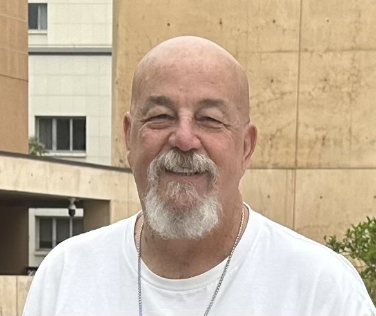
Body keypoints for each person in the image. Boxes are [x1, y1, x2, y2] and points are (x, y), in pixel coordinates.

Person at [23, 36, 375, 316]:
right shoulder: (66, 275)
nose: (185, 139)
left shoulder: (320, 288)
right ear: (129, 137)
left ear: (246, 148)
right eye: (161, 116)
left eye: (210, 120)